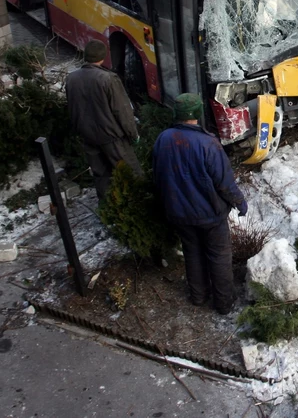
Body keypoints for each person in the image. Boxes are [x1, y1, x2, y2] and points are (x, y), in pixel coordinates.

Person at [152, 93, 248, 315]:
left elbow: (157, 176)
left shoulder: (163, 139)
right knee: (219, 256)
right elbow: (224, 182)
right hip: (209, 216)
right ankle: (224, 304)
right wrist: (240, 202)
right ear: (197, 114)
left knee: (192, 252)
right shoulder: (208, 143)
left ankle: (198, 296)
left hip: (179, 214)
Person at [65, 39, 141, 203]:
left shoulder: (72, 78)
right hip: (112, 138)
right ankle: (136, 210)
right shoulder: (108, 79)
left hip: (88, 137)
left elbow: (72, 108)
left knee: (101, 176)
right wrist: (133, 134)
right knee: (130, 174)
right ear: (103, 56)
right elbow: (122, 111)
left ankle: (108, 209)